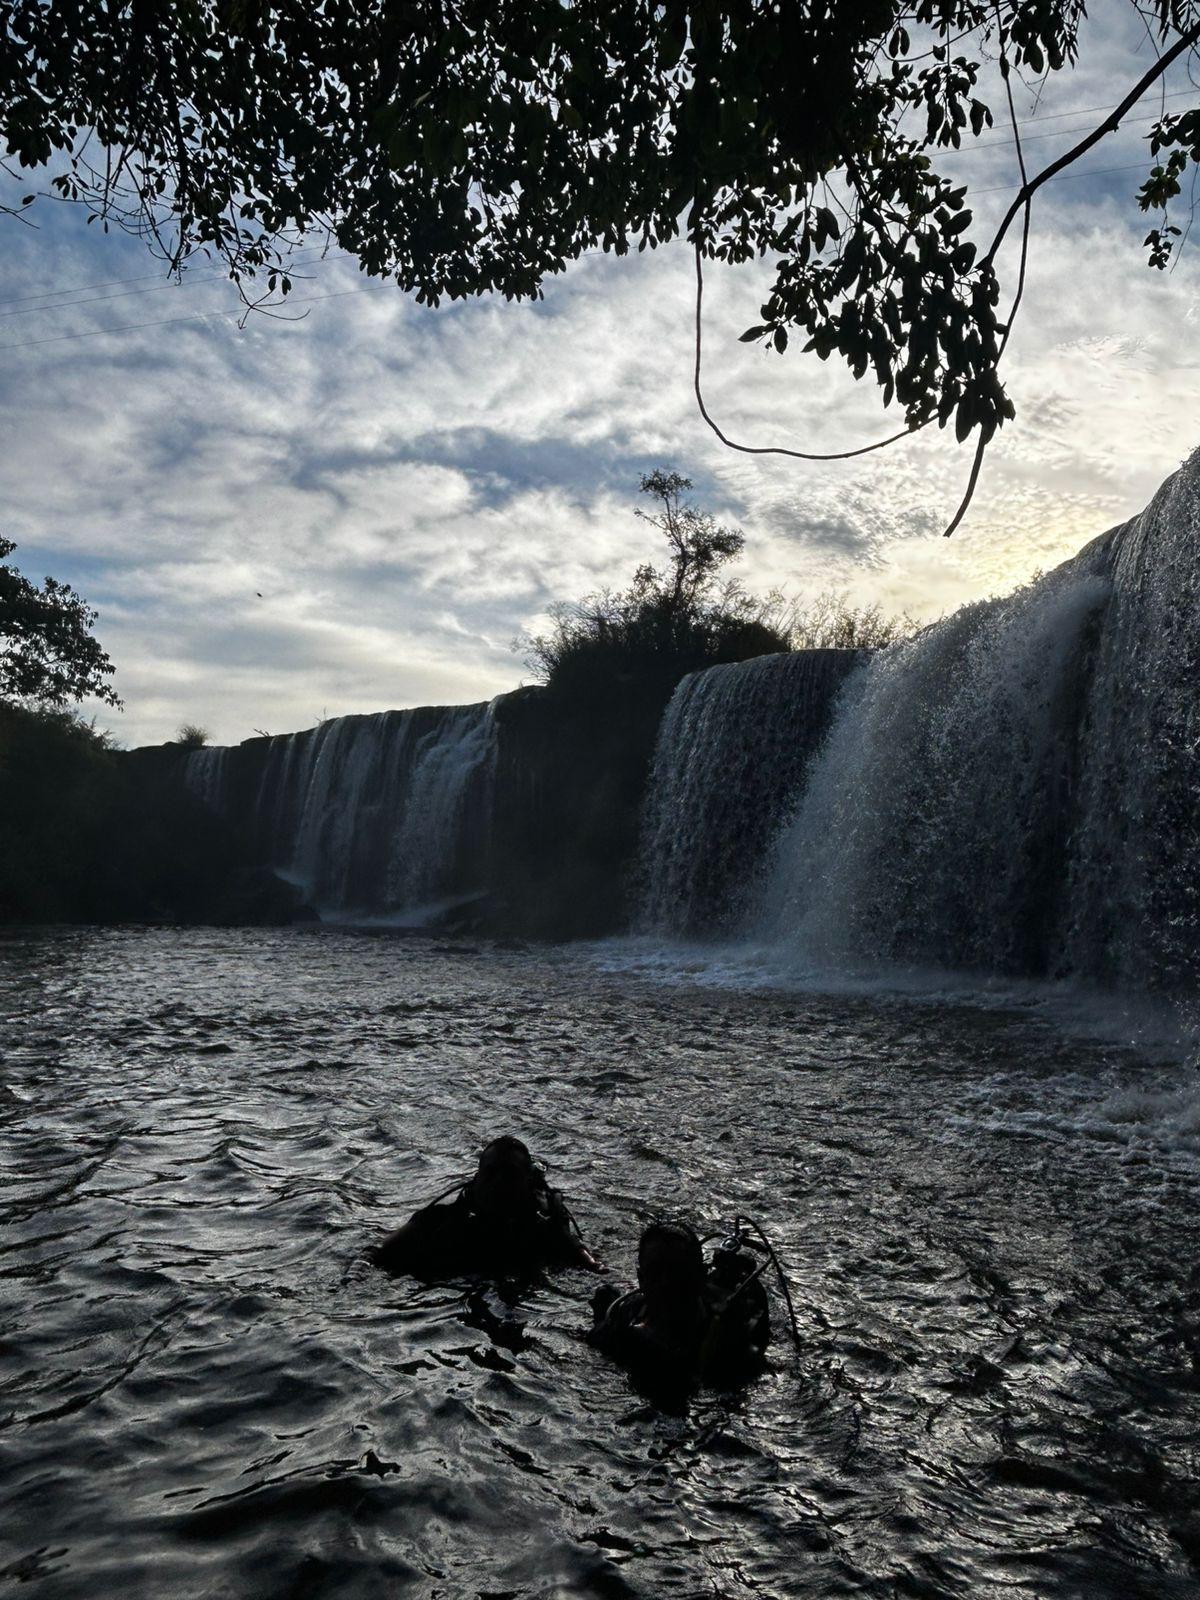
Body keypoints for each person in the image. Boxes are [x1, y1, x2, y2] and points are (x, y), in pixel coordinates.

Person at [372, 1135, 598, 1279]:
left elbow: (592, 1267)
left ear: (528, 1183)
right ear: (477, 1179)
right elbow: (374, 1256)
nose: (499, 1183)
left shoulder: (548, 1230)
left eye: (510, 1174)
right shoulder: (438, 1222)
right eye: (491, 1173)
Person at [589, 1219, 770, 1393]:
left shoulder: (727, 1343)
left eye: (678, 1272)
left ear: (700, 1277)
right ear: (641, 1279)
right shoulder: (627, 1315)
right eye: (655, 1272)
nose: (666, 1283)